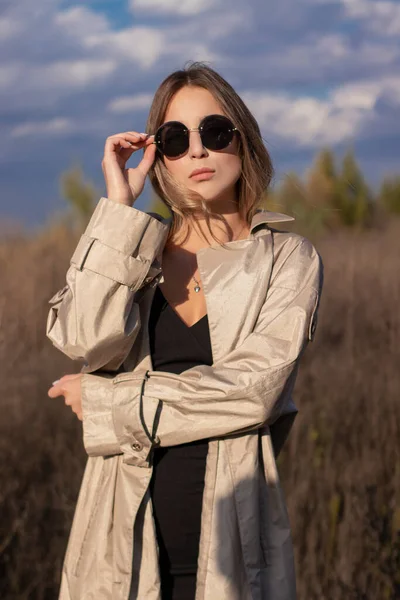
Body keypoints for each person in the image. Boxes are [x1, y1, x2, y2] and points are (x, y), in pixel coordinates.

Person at [46, 62, 323, 600]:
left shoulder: (287, 259)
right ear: (161, 160)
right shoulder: (133, 255)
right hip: (117, 550)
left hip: (230, 554)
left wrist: (109, 404)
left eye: (215, 132)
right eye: (175, 139)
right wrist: (118, 211)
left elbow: (252, 393)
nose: (197, 151)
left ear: (243, 142)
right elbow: (84, 339)